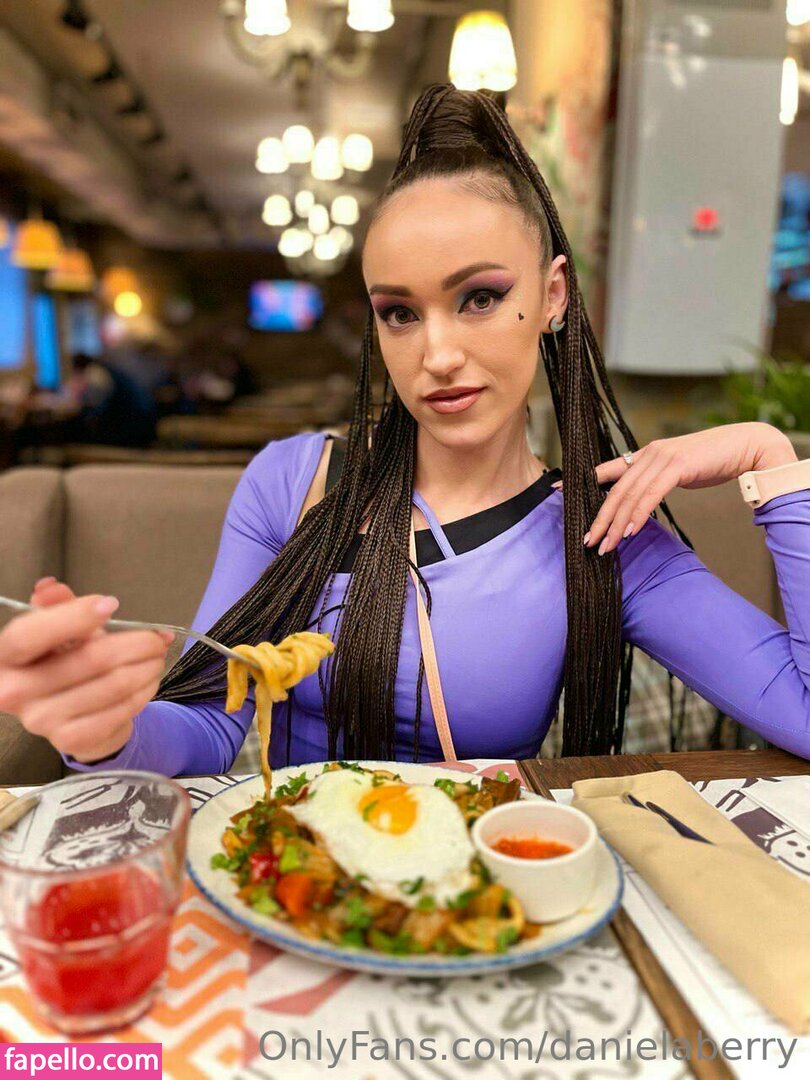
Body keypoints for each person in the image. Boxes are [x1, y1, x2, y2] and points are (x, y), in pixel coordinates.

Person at [0, 84, 808, 775]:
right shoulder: (292, 482)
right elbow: (207, 727)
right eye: (400, 313)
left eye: (480, 298)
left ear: (553, 295)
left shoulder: (605, 534)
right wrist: (107, 731)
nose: (438, 355)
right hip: (296, 881)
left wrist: (773, 461)